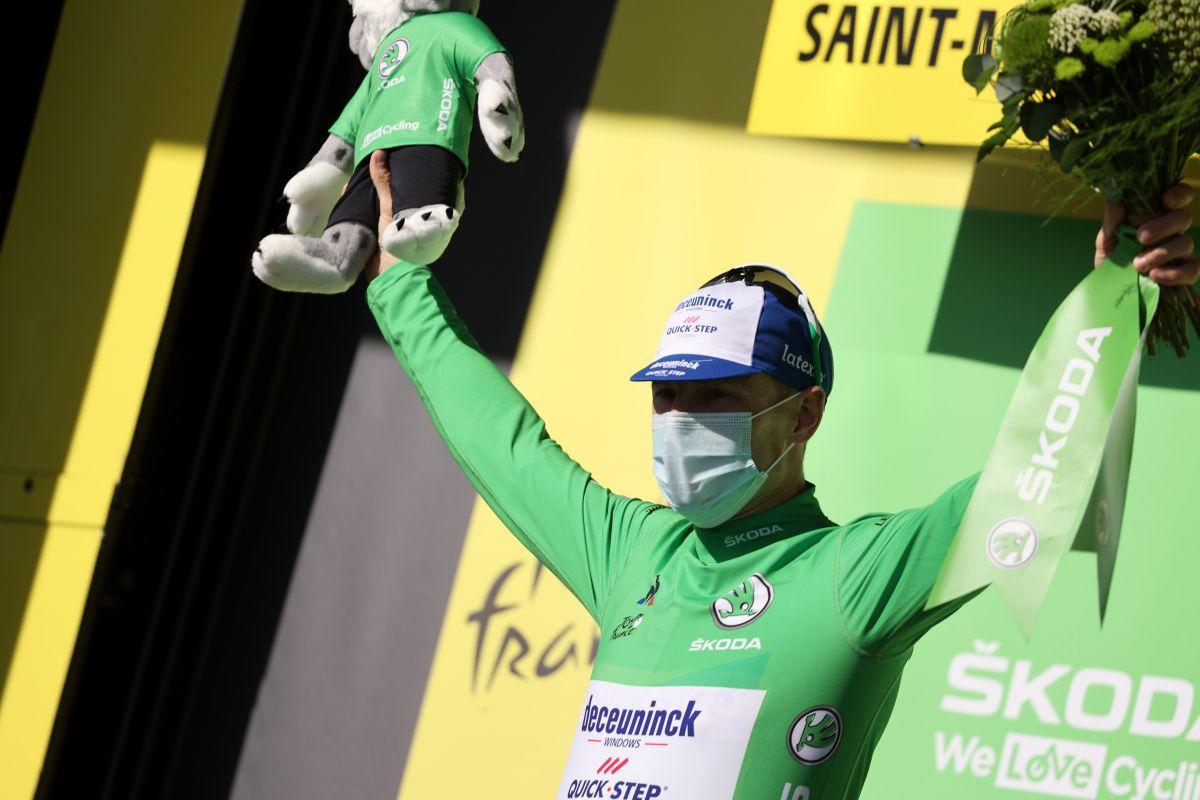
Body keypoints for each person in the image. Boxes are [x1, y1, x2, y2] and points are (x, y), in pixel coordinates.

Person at [362, 149, 1196, 799]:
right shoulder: (631, 553)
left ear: (804, 415)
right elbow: (500, 439)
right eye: (667, 394)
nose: (682, 416)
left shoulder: (855, 577)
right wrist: (401, 285)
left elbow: (1035, 477)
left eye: (717, 393)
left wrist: (1128, 288)